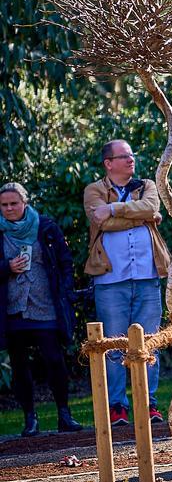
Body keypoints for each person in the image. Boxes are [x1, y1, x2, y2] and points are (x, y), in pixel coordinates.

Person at [84, 139, 169, 426]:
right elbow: (103, 223)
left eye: (132, 155)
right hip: (110, 281)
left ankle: (149, 404)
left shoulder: (146, 185)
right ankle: (117, 407)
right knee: (114, 345)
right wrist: (143, 216)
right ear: (109, 163)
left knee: (149, 344)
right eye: (124, 157)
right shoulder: (94, 190)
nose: (131, 160)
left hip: (147, 278)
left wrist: (115, 209)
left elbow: (152, 206)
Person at [1, 184, 83, 436]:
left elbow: (65, 261)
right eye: (3, 205)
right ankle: (30, 419)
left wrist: (66, 291)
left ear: (24, 202)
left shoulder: (46, 226)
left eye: (14, 203)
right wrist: (7, 267)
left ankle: (64, 415)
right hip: (13, 309)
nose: (9, 209)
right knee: (19, 366)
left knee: (54, 361)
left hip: (44, 305)